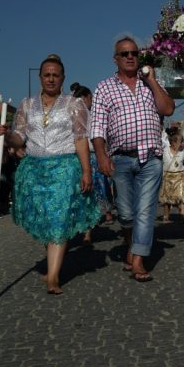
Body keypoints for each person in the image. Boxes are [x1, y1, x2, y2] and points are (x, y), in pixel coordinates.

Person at [0, 55, 100, 295]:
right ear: (40, 77)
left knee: (58, 219)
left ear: (63, 78)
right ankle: (52, 266)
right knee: (45, 219)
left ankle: (53, 276)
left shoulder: (74, 104)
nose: (51, 79)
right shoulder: (26, 104)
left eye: (56, 75)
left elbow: (80, 139)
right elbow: (19, 137)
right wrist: (6, 135)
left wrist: (86, 171)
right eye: (47, 75)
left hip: (64, 169)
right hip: (34, 170)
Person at [90, 37, 175, 282]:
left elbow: (168, 109)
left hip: (151, 158)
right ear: (115, 59)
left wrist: (152, 81)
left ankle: (138, 260)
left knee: (145, 211)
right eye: (124, 53)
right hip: (121, 159)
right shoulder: (104, 87)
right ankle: (130, 242)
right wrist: (101, 156)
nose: (130, 57)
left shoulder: (150, 84)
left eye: (134, 53)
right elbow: (97, 126)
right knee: (126, 214)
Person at [71, 82, 115, 245]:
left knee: (99, 190)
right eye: (90, 98)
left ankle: (101, 217)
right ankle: (86, 229)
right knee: (85, 194)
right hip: (81, 158)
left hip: (94, 157)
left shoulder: (95, 115)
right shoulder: (76, 114)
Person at [160, 133, 184, 223]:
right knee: (167, 198)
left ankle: (183, 216)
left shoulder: (183, 152)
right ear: (173, 142)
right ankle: (166, 216)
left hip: (180, 176)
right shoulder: (164, 151)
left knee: (182, 196)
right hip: (167, 177)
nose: (182, 144)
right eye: (181, 142)